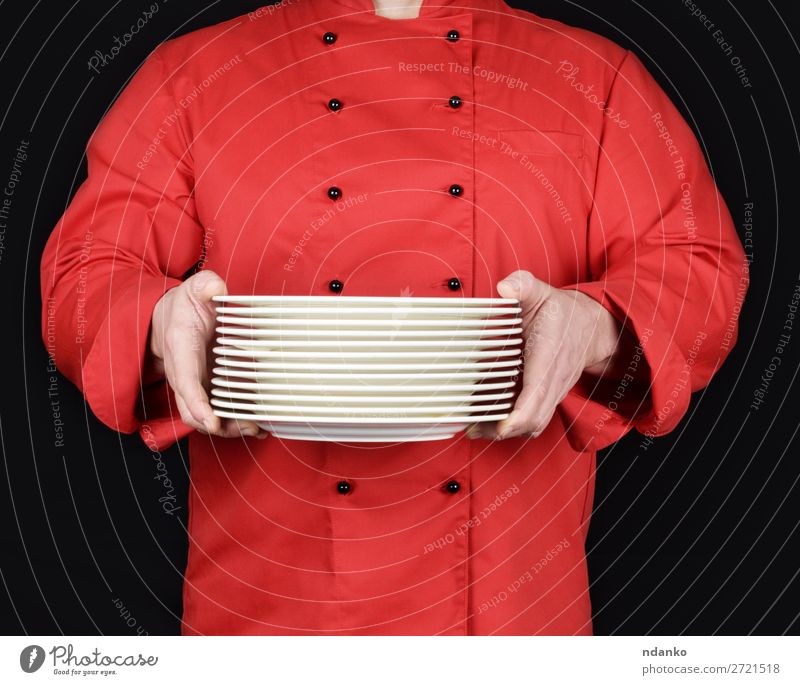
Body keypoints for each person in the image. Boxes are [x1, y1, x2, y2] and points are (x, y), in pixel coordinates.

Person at [41, 0, 747, 634]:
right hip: (267, 613)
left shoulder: (593, 79)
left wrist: (596, 327)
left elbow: (698, 269)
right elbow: (86, 274)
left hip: (510, 615)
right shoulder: (192, 74)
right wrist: (161, 326)